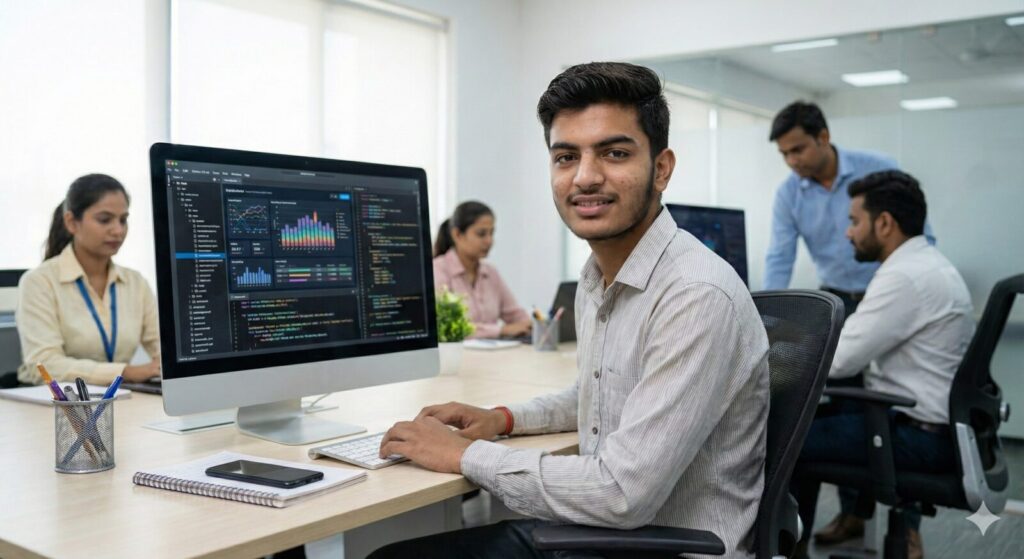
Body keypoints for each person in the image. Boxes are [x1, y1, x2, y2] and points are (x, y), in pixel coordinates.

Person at [369, 62, 770, 558]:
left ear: (662, 168)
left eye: (615, 153)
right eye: (565, 157)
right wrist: (501, 419)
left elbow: (621, 493)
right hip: (610, 537)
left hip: (662, 547)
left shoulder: (694, 295)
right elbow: (598, 394)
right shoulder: (598, 277)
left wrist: (465, 455)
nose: (585, 177)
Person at [792, 170, 974, 559]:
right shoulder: (931, 264)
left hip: (920, 438)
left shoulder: (904, 277)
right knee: (820, 420)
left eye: (855, 221)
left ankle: (784, 552)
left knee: (784, 440)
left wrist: (777, 352)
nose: (848, 233)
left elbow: (838, 360)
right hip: (938, 428)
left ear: (885, 223)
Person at [764, 101, 935, 316]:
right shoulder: (788, 193)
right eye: (784, 154)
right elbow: (780, 256)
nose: (792, 161)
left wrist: (923, 284)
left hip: (888, 292)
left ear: (823, 137)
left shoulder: (878, 168)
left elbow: (919, 234)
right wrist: (766, 313)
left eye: (798, 150)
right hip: (834, 300)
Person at [17, 174, 161, 385]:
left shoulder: (136, 283)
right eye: (104, 220)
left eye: (123, 220)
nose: (118, 230)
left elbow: (163, 349)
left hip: (120, 397)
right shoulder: (39, 282)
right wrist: (126, 372)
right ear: (71, 222)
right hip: (55, 403)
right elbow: (45, 365)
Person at [433, 201, 531, 339]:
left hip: (493, 356)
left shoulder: (491, 273)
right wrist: (501, 330)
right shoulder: (438, 270)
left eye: (492, 233)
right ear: (457, 235)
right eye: (481, 234)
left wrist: (531, 324)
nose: (489, 241)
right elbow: (449, 327)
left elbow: (515, 314)